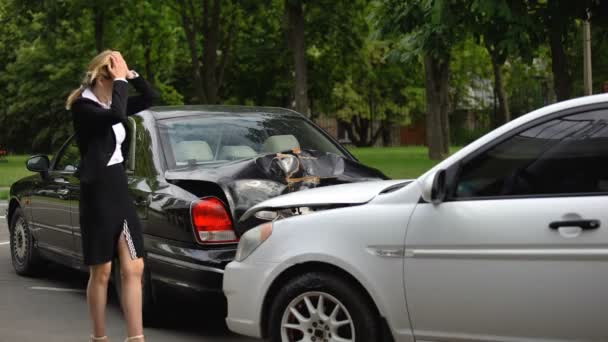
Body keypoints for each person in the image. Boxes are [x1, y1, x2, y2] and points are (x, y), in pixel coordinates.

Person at [66, 50, 158, 342]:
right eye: (110, 76)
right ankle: (100, 337)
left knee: (134, 265)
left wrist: (132, 76)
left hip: (118, 187)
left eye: (115, 75)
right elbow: (117, 115)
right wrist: (120, 81)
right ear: (98, 76)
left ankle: (136, 338)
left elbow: (149, 99)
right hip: (98, 191)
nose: (115, 82)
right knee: (103, 270)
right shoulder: (84, 106)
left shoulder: (110, 100)